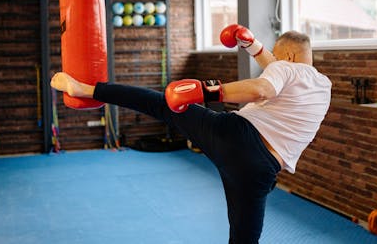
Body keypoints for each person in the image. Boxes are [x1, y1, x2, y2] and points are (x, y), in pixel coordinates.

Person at [50, 24, 332, 244]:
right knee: (244, 240)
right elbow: (278, 67)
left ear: (289, 56)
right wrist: (251, 44)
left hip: (235, 137)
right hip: (260, 172)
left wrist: (206, 90)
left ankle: (86, 89)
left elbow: (264, 88)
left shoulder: (284, 69)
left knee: (159, 103)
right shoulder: (322, 84)